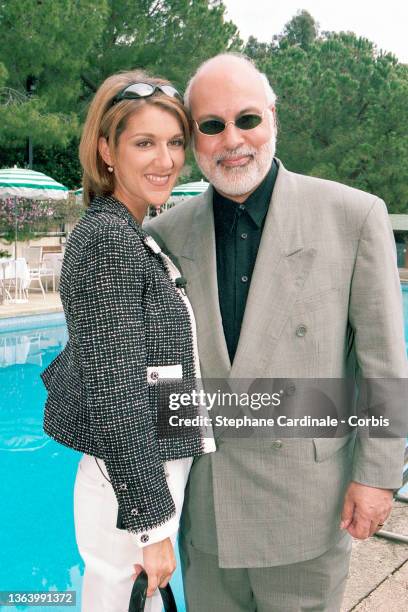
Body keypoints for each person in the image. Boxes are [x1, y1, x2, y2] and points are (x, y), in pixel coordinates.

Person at [146, 53, 408, 611]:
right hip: (207, 512)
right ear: (194, 140)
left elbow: (382, 362)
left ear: (273, 117)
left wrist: (379, 477)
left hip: (307, 509)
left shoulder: (354, 216)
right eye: (212, 126)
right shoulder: (164, 233)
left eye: (247, 119)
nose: (232, 140)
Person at [41, 69, 215, 612]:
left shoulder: (128, 231)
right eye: (144, 143)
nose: (165, 160)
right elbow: (116, 392)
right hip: (131, 485)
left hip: (138, 475)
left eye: (173, 143)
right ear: (105, 149)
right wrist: (153, 525)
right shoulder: (108, 239)